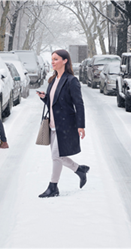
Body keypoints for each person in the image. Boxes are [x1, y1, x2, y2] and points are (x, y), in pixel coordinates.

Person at [35, 50, 88, 198]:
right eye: (52, 59)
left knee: (56, 156)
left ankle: (53, 187)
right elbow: (53, 103)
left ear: (65, 61)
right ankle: (80, 170)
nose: (52, 62)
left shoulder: (71, 81)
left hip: (65, 125)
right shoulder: (52, 80)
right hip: (53, 124)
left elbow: (79, 104)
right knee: (59, 156)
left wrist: (80, 125)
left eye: (56, 59)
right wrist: (44, 97)